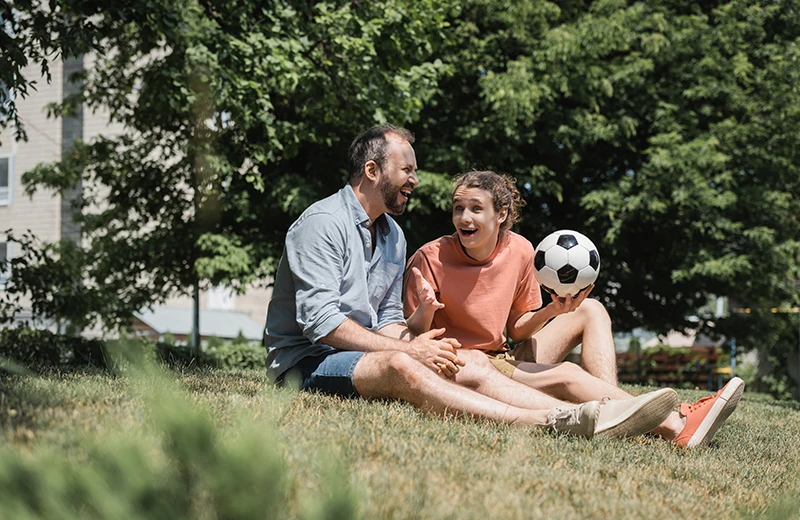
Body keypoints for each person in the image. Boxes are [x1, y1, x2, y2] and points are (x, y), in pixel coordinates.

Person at [264, 124, 678, 440]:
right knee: (401, 363)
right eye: (406, 169)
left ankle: (626, 416)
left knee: (466, 359)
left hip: (367, 352)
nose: (415, 179)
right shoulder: (322, 224)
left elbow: (388, 317)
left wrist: (419, 341)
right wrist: (409, 349)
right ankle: (545, 420)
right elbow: (321, 324)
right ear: (373, 171)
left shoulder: (392, 234)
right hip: (307, 363)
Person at [403, 170, 744, 448]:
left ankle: (617, 415)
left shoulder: (521, 250)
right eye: (458, 207)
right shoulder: (429, 257)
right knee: (568, 375)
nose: (464, 217)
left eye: (475, 208)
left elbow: (518, 329)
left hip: (503, 356)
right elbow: (411, 339)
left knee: (591, 309)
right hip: (466, 363)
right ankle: (676, 424)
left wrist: (553, 309)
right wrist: (428, 311)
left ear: (501, 214)